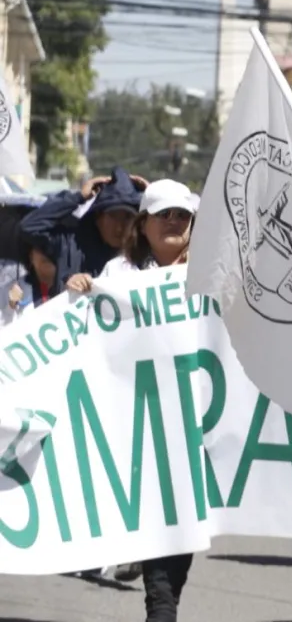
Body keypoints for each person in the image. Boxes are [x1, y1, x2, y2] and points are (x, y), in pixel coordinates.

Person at [67, 179, 198, 622]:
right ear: (143, 225)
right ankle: (161, 608)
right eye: (166, 214)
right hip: (138, 429)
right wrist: (80, 291)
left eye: (183, 214)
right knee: (158, 570)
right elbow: (87, 328)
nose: (175, 221)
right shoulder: (119, 277)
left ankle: (164, 603)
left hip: (196, 432)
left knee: (181, 537)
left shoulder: (211, 275)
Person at [19, 166, 145, 289]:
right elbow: (29, 227)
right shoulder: (70, 243)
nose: (119, 228)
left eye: (127, 217)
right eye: (113, 216)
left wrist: (153, 198)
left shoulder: (146, 250)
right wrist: (77, 197)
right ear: (98, 217)